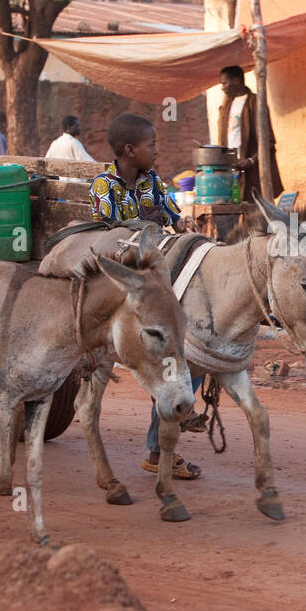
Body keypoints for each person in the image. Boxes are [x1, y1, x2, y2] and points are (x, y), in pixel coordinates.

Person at [90, 113, 202, 479]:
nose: (157, 151)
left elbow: (170, 215)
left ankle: (174, 414)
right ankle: (162, 440)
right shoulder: (104, 185)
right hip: (124, 274)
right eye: (151, 145)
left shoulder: (153, 180)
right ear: (129, 150)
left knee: (191, 333)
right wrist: (146, 218)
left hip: (157, 266)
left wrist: (185, 226)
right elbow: (114, 228)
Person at [217, 66, 282, 201]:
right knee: (233, 213)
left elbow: (267, 141)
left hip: (253, 170)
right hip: (232, 169)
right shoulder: (226, 106)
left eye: (225, 83)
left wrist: (251, 161)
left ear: (236, 81)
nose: (222, 88)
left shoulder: (255, 102)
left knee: (256, 211)